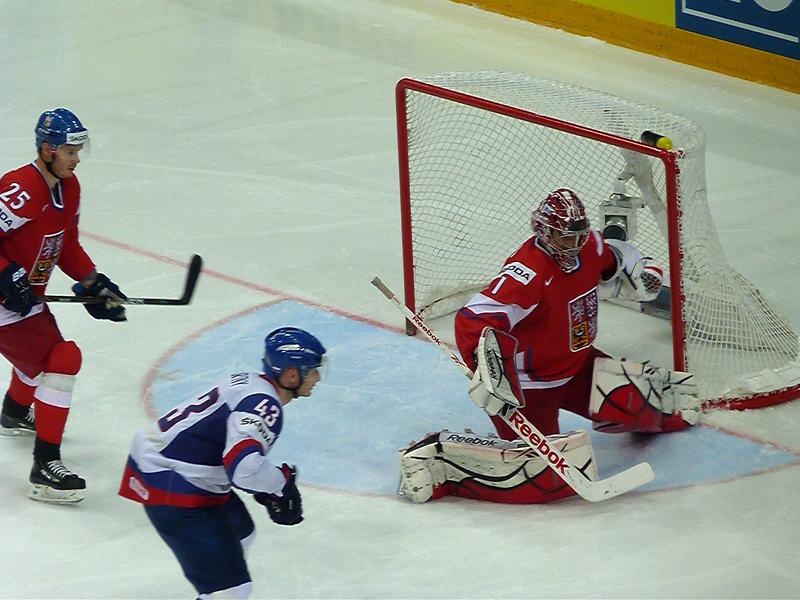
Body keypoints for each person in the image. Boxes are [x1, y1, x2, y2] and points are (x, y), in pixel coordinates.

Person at [399, 188, 699, 504]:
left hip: (579, 368)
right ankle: (441, 460)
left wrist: (640, 271)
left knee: (665, 408)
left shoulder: (590, 246)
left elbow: (616, 255)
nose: (574, 245)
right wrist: (490, 375)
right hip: (529, 390)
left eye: (579, 236)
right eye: (565, 238)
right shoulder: (528, 273)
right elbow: (474, 319)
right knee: (546, 479)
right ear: (544, 231)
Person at [119, 327, 327, 599]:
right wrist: (279, 486)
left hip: (170, 463)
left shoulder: (250, 382)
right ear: (291, 375)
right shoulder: (265, 405)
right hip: (171, 478)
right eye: (312, 371)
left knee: (241, 534)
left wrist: (269, 486)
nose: (317, 377)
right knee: (231, 590)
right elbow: (244, 468)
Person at [0, 108, 127, 503]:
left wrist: (92, 282)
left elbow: (65, 244)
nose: (76, 159)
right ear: (47, 149)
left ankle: (15, 411)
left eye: (77, 151)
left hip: (22, 300)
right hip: (4, 303)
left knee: (42, 356)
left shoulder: (69, 189)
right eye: (70, 151)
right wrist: (4, 273)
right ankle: (45, 466)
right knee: (62, 358)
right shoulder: (22, 187)